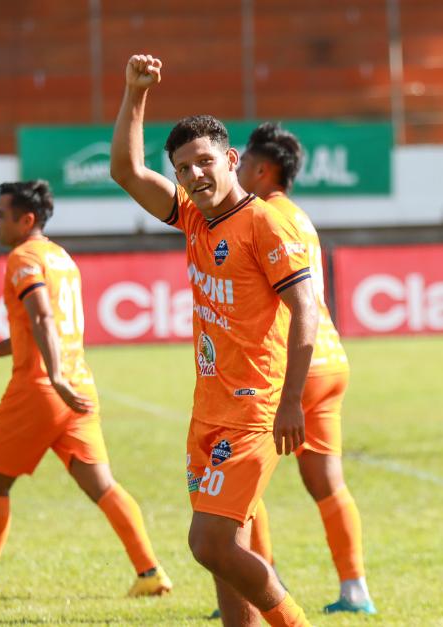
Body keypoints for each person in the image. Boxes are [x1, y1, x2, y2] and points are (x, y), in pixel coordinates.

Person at [110, 54, 319, 627]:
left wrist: (292, 401)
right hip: (207, 410)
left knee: (209, 542)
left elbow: (306, 308)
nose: (195, 175)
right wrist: (135, 93)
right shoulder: (194, 218)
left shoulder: (265, 223)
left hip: (254, 409)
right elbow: (126, 171)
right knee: (225, 554)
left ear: (230, 160)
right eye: (184, 168)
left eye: (205, 161)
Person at [0, 180, 171, 598]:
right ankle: (150, 572)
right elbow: (44, 327)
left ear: (26, 220)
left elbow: (42, 318)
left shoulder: (24, 257)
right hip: (78, 388)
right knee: (102, 485)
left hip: (41, 389)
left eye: (0, 215)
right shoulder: (60, 257)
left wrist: (54, 377)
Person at [235, 122, 375, 615]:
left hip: (290, 363)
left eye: (242, 162)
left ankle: (257, 581)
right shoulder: (300, 216)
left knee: (239, 479)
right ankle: (355, 589)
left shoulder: (262, 216)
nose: (236, 170)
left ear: (262, 169)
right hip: (329, 358)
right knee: (327, 483)